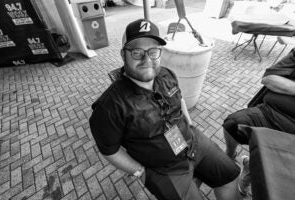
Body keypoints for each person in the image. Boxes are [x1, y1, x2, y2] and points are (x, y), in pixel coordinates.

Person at [89, 19, 242, 200]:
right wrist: (140, 172)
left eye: (153, 52)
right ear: (123, 54)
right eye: (137, 52)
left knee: (231, 176)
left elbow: (181, 99)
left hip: (194, 143)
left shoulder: (166, 74)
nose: (147, 60)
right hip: (165, 169)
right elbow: (110, 150)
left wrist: (190, 126)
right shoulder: (109, 106)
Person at [223, 48, 295, 195]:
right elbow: (268, 78)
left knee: (272, 175)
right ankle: (230, 155)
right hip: (269, 113)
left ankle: (249, 170)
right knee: (232, 123)